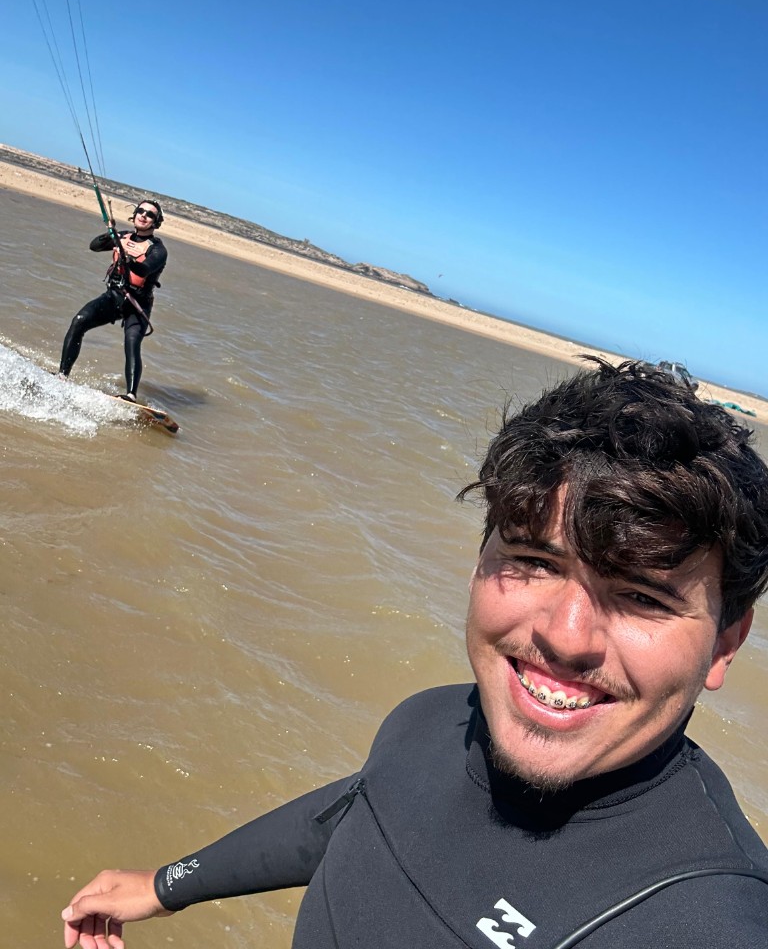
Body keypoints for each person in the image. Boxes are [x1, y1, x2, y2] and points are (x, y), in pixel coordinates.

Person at [61, 359, 768, 949]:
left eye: (641, 596)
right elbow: (353, 815)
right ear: (477, 563)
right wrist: (168, 885)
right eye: (534, 561)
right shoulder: (431, 721)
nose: (566, 635)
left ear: (725, 644)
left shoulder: (705, 920)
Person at [58, 200, 167, 402]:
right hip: (114, 296)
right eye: (140, 211)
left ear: (155, 222)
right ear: (135, 214)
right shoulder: (122, 236)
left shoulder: (158, 249)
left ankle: (131, 395)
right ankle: (62, 376)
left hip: (137, 304)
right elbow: (94, 246)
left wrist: (128, 258)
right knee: (79, 321)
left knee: (132, 342)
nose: (143, 215)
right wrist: (111, 235)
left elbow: (144, 270)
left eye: (150, 214)